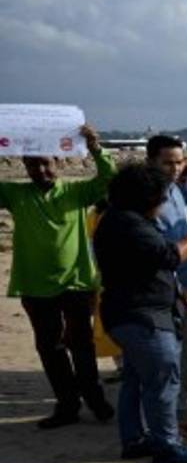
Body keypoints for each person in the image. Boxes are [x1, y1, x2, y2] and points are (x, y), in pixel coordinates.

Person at [94, 163, 187, 463]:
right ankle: (167, 446)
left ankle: (134, 439)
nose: (163, 204)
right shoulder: (130, 225)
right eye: (161, 198)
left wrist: (176, 292)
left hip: (134, 313)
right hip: (142, 318)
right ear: (145, 198)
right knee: (163, 379)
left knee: (136, 378)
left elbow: (147, 268)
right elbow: (169, 257)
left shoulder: (122, 221)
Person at [0, 124, 115, 428]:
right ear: (23, 165)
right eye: (31, 164)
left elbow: (109, 180)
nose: (39, 169)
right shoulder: (14, 193)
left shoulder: (77, 192)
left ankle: (95, 397)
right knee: (49, 347)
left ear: (60, 162)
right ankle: (67, 404)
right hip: (35, 285)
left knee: (81, 344)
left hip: (76, 282)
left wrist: (95, 147)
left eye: (45, 162)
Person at [146, 135, 187, 427]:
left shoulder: (178, 191)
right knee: (166, 356)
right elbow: (158, 251)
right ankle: (162, 417)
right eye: (167, 162)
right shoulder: (147, 198)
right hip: (166, 288)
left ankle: (177, 408)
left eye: (179, 161)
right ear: (151, 163)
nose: (174, 168)